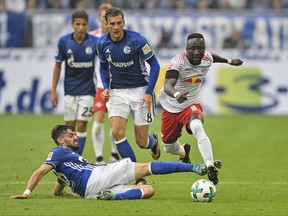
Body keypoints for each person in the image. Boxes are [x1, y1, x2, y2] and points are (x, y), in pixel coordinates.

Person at [10, 124, 207, 200]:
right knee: (146, 169)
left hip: (90, 192)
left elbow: (58, 186)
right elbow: (39, 171)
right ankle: (194, 167)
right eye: (71, 135)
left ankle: (111, 196)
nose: (76, 137)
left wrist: (63, 191)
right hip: (96, 176)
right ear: (61, 140)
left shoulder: (65, 163)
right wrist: (26, 193)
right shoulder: (59, 151)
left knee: (148, 191)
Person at [158, 33, 243, 185]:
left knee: (197, 126)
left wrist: (229, 61)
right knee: (168, 147)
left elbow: (213, 57)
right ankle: (183, 151)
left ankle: (210, 165)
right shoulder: (177, 62)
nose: (196, 52)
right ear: (186, 49)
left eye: (200, 48)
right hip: (171, 105)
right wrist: (177, 94)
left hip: (191, 103)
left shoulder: (206, 58)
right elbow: (167, 86)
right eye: (192, 48)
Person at [97, 7, 161, 184]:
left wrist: (149, 92)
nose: (116, 27)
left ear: (124, 23)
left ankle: (152, 142)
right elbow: (103, 66)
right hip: (117, 91)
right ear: (106, 24)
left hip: (141, 90)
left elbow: (154, 65)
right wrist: (105, 87)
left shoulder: (137, 40)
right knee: (117, 132)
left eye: (119, 23)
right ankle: (138, 177)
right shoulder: (102, 44)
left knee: (141, 141)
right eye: (112, 24)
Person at [50, 10, 97, 156]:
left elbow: (104, 64)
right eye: (78, 24)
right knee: (69, 128)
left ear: (87, 25)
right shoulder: (64, 41)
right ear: (72, 25)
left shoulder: (94, 42)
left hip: (88, 91)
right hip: (69, 91)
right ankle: (69, 160)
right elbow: (57, 66)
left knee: (82, 125)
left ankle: (78, 159)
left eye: (84, 24)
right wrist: (53, 91)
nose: (81, 27)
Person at [89, 3, 120, 163]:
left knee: (116, 122)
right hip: (101, 85)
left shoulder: (119, 37)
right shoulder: (92, 37)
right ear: (100, 18)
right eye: (102, 16)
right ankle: (99, 158)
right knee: (98, 121)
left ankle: (114, 154)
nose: (104, 20)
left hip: (118, 85)